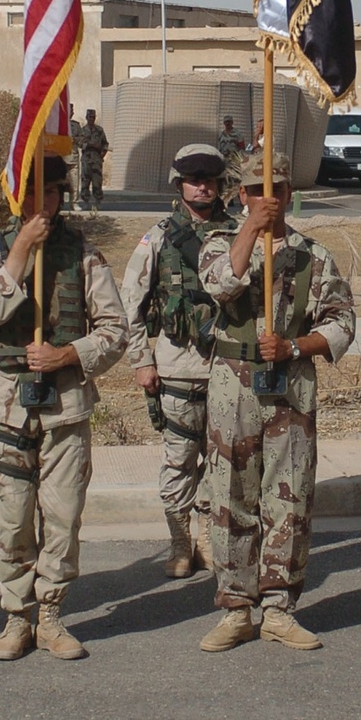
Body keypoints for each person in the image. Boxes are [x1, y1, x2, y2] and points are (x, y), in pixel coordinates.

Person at [0, 154, 127, 661]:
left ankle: (52, 614)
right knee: (15, 519)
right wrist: (19, 252)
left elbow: (115, 331)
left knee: (62, 517)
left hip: (65, 408)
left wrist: (68, 354)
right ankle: (17, 617)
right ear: (17, 196)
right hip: (6, 406)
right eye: (35, 193)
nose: (45, 203)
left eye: (54, 192)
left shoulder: (83, 255)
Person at [197, 149, 355, 652]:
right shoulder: (217, 243)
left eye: (279, 190)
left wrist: (294, 346)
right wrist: (250, 231)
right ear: (241, 195)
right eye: (258, 190)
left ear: (291, 194)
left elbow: (341, 322)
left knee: (288, 498)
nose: (270, 198)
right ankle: (236, 607)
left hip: (290, 384)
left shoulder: (313, 254)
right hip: (234, 386)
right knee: (230, 498)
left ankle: (280, 607)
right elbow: (219, 285)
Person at [120, 145, 236, 578]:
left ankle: (207, 533)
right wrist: (141, 360)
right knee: (179, 458)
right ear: (180, 185)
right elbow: (131, 303)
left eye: (210, 179)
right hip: (177, 366)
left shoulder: (240, 233)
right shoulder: (159, 237)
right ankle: (180, 539)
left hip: (229, 368)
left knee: (222, 458)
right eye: (194, 180)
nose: (202, 186)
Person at [77, 108, 109, 212]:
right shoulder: (82, 130)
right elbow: (80, 143)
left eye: (93, 117)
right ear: (86, 118)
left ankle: (97, 202)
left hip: (96, 160)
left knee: (97, 182)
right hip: (86, 159)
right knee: (85, 181)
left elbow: (105, 144)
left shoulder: (99, 130)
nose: (91, 119)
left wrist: (102, 155)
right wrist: (91, 144)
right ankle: (85, 202)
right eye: (90, 117)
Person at [65, 102, 84, 212]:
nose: (71, 113)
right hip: (61, 159)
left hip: (73, 159)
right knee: (59, 183)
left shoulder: (76, 126)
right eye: (69, 110)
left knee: (75, 183)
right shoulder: (58, 125)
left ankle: (74, 203)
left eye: (72, 111)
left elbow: (82, 141)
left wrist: (74, 140)